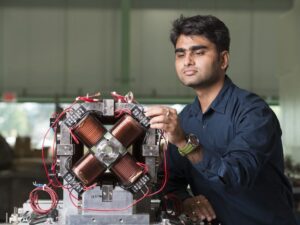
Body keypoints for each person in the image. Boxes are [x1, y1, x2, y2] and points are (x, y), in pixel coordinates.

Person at [144, 15, 297, 225]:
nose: (187, 61)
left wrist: (184, 143)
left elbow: (236, 177)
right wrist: (185, 200)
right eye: (180, 54)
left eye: (198, 52)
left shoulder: (253, 112)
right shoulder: (186, 119)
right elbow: (168, 183)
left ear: (223, 60)